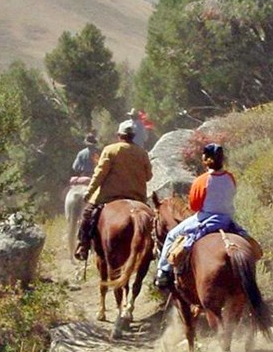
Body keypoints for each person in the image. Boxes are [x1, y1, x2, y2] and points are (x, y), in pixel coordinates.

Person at [155, 143, 244, 291]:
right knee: (244, 236)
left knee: (171, 235)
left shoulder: (201, 181)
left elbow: (195, 206)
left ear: (205, 159)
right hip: (228, 218)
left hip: (204, 218)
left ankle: (163, 272)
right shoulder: (230, 177)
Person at [73, 120, 153, 261]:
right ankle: (152, 251)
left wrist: (89, 192)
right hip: (137, 197)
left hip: (110, 196)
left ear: (119, 135)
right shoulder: (142, 153)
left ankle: (83, 246)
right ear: (133, 136)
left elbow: (100, 174)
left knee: (87, 214)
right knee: (152, 220)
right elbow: (148, 176)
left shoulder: (110, 150)